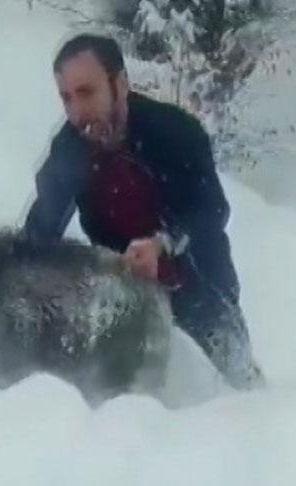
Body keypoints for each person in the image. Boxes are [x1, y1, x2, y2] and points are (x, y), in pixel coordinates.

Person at [22, 33, 264, 390]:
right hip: (128, 296)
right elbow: (41, 228)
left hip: (200, 287)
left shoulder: (173, 131)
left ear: (119, 84)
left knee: (238, 392)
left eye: (86, 93)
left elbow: (212, 210)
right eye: (66, 98)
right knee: (135, 406)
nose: (76, 112)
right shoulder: (70, 150)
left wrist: (163, 243)